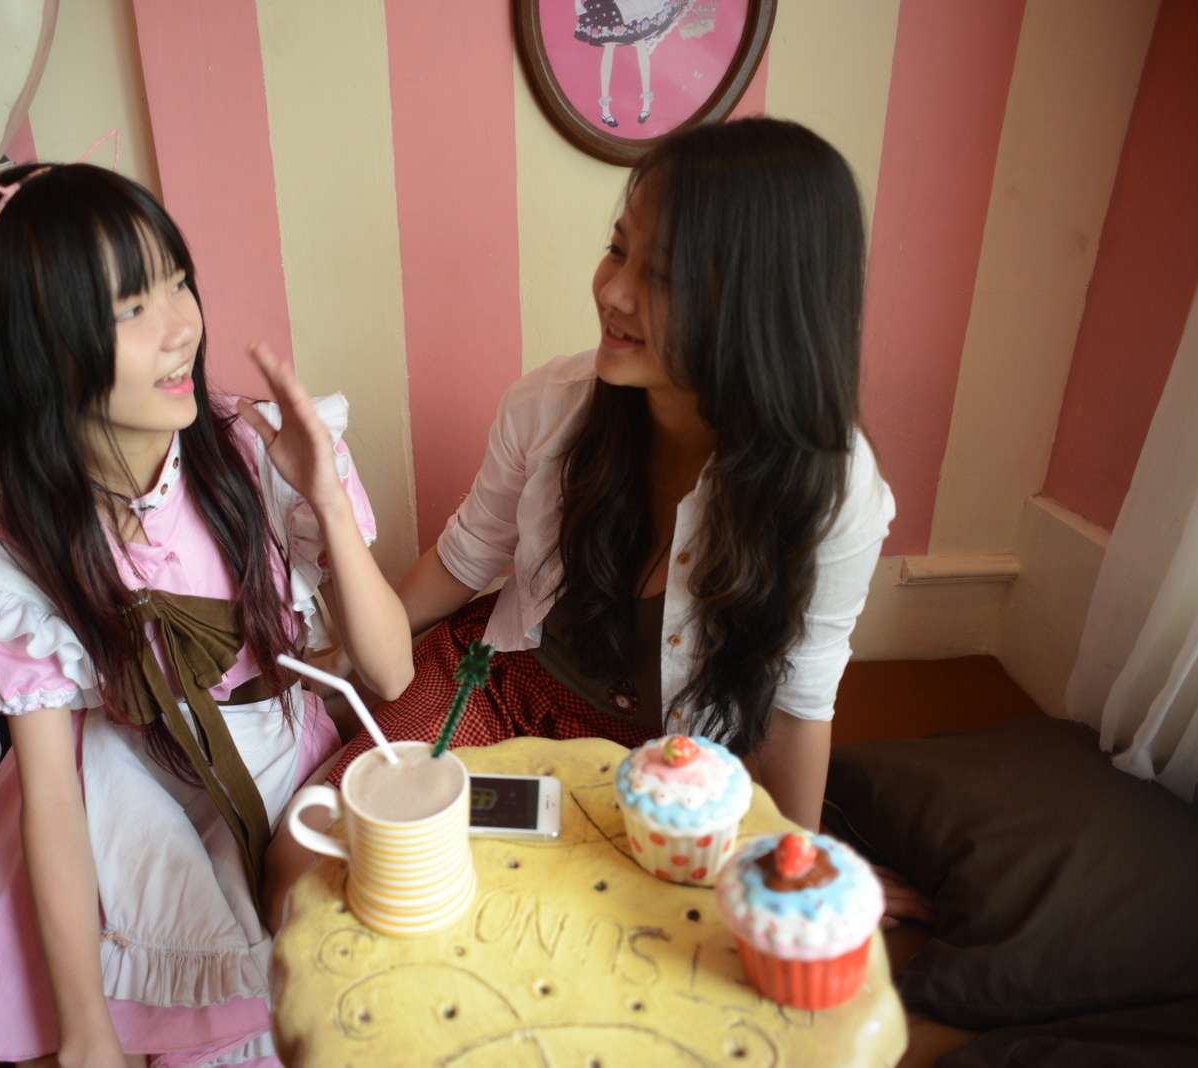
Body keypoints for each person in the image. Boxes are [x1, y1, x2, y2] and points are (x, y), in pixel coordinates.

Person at [0, 158, 412, 1068]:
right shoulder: (19, 553)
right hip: (105, 785)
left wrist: (325, 499)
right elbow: (51, 798)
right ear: (37, 352)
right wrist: (84, 1028)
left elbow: (393, 672)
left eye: (177, 281)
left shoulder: (252, 451)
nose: (181, 327)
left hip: (262, 769)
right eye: (131, 307)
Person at [314, 117, 895, 836]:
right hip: (504, 689)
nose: (615, 293)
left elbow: (797, 705)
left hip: (667, 762)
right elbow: (466, 557)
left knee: (572, 900)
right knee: (332, 840)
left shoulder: (833, 492)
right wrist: (341, 660)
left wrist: (794, 864)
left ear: (763, 305)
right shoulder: (550, 405)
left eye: (664, 275)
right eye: (618, 250)